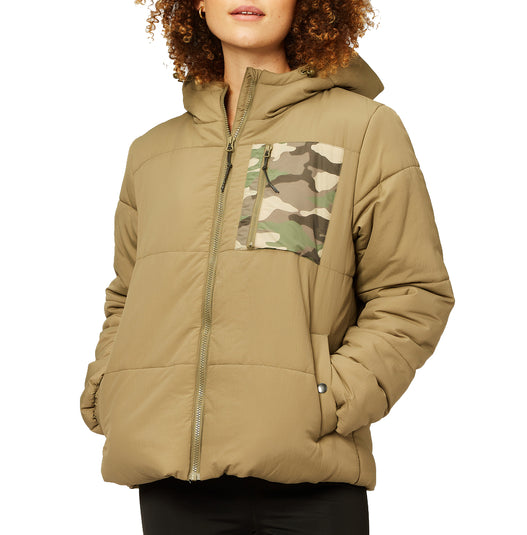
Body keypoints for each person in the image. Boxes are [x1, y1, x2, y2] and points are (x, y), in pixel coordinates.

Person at [79, 0, 455, 533]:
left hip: (310, 484)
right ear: (196, 5)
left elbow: (412, 293)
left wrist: (328, 399)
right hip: (170, 483)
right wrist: (108, 389)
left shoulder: (362, 129)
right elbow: (127, 295)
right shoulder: (152, 152)